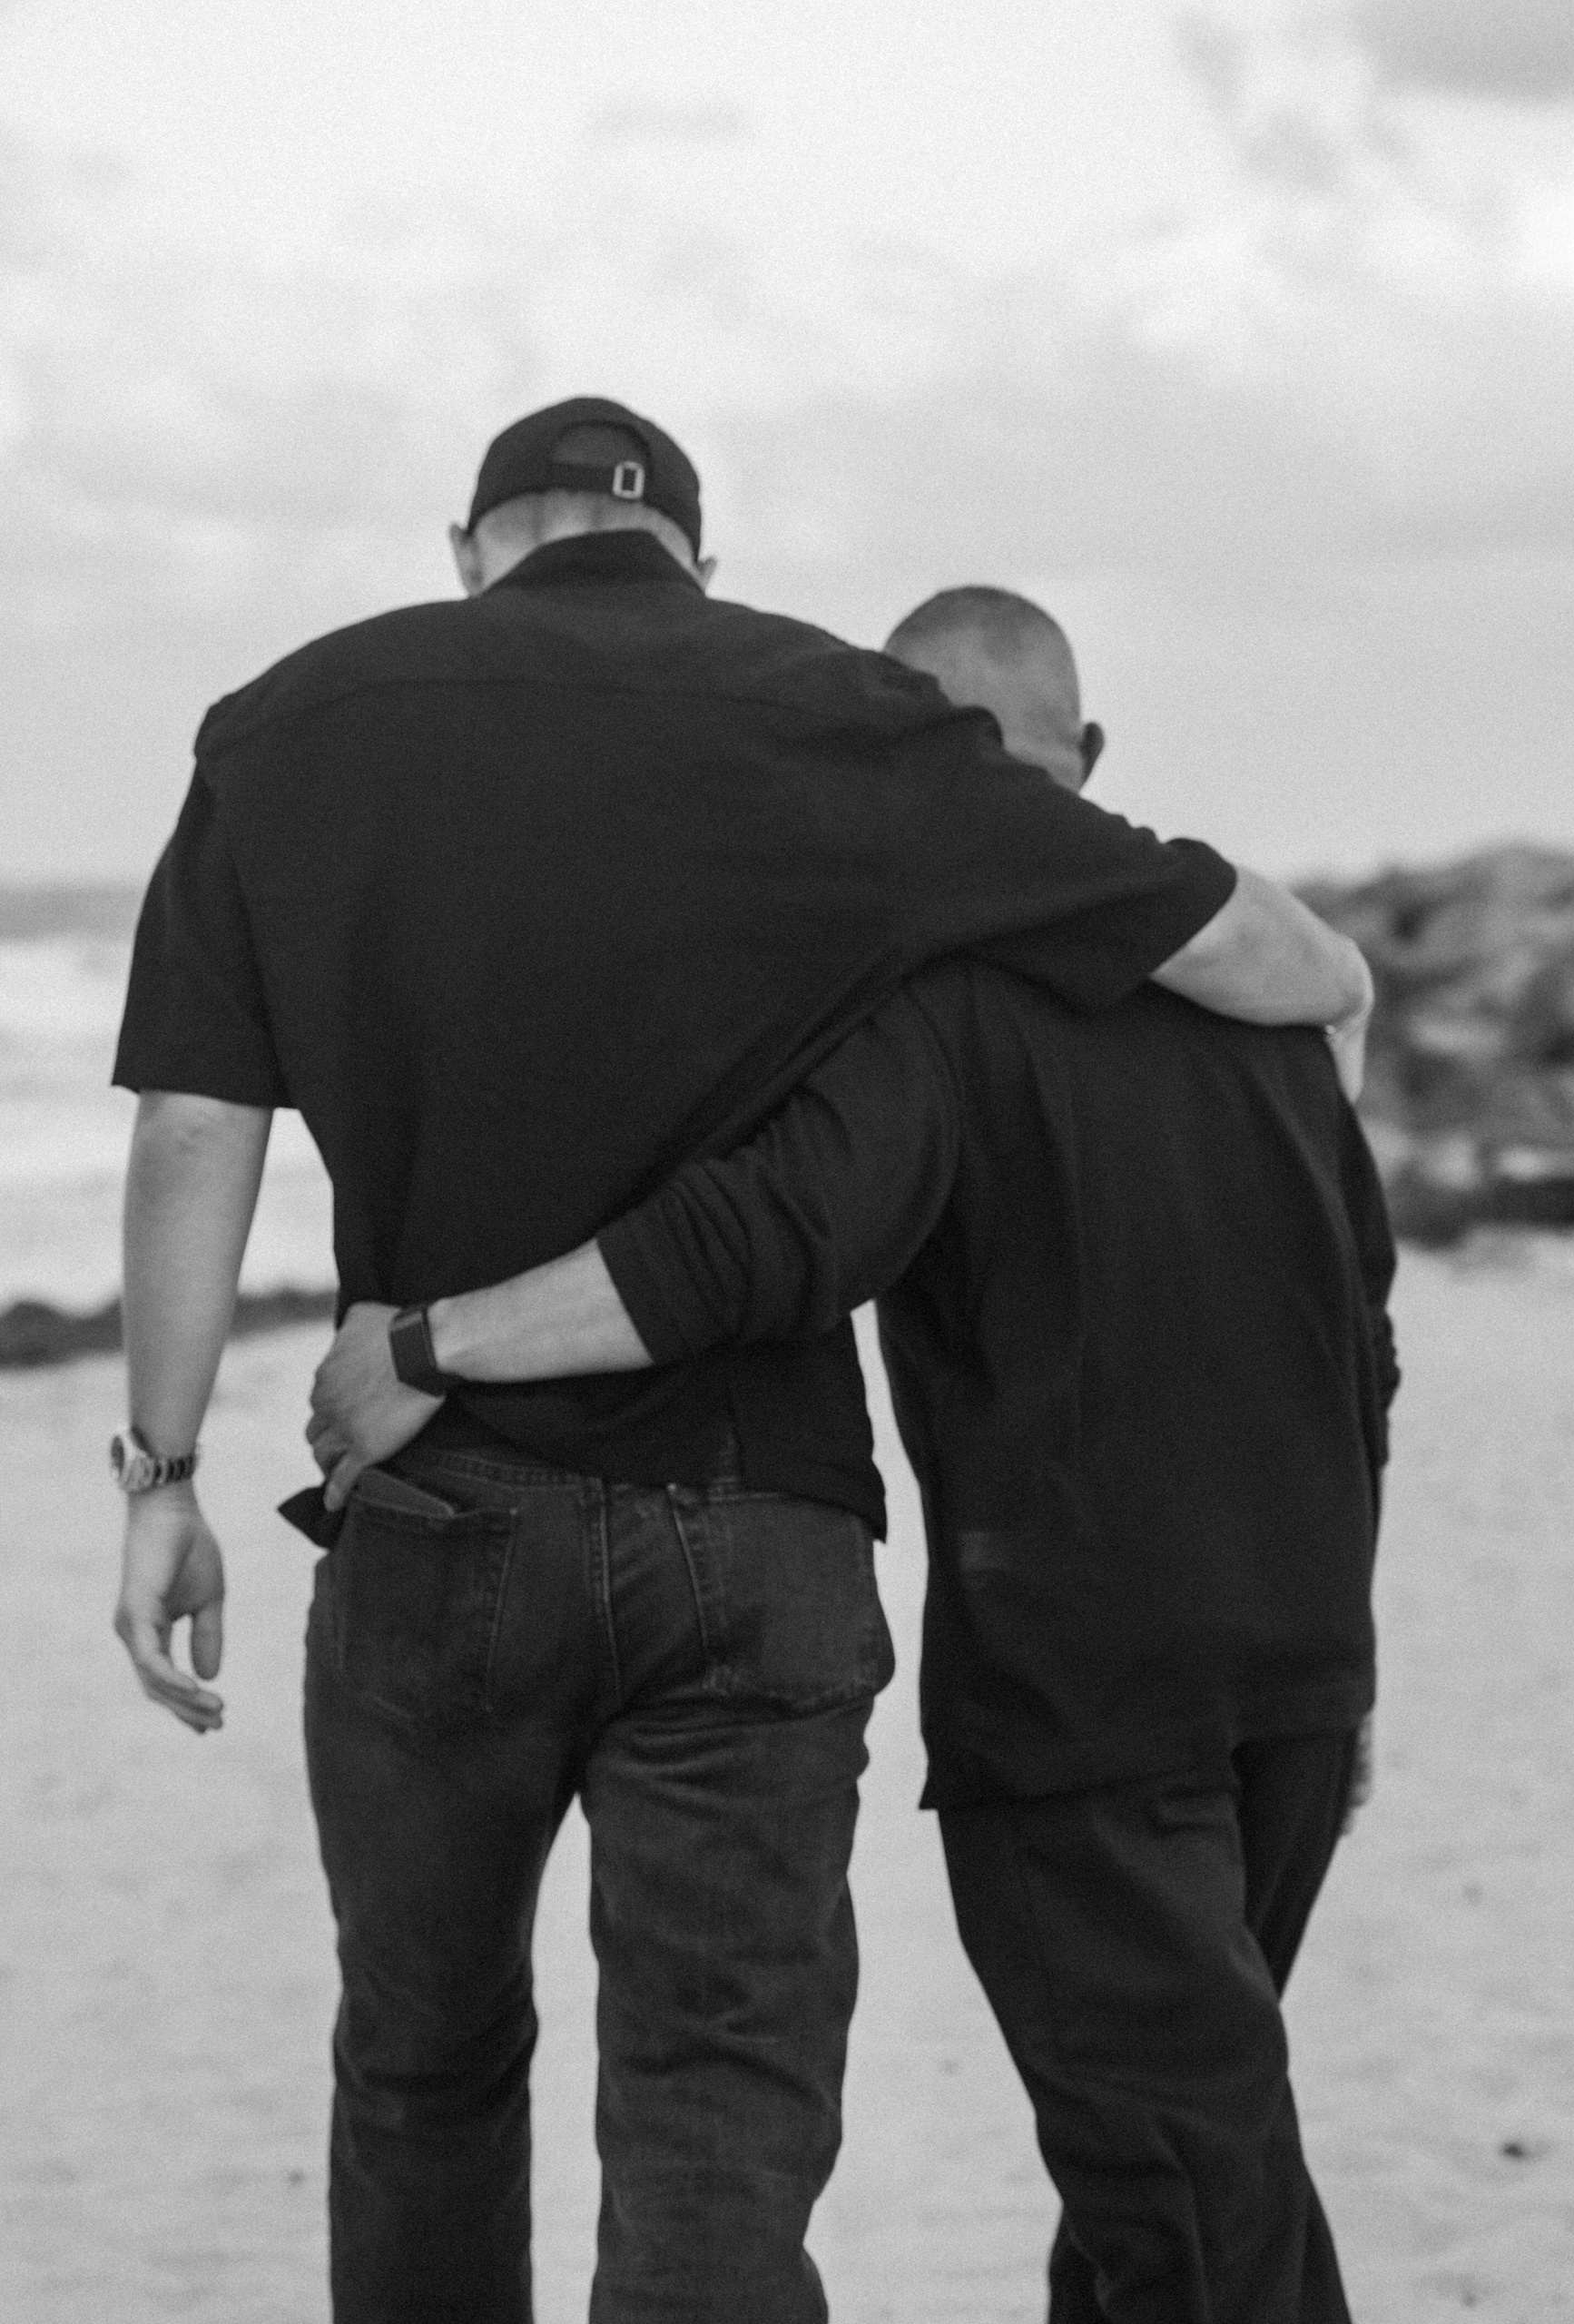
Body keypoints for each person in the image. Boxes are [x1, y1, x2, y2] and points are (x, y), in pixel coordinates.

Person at [112, 395, 1371, 2324]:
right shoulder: (837, 716)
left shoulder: (287, 726)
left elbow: (198, 1125)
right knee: (717, 2105)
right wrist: (1338, 989)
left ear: (471, 546)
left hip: (430, 1514)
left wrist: (167, 1476)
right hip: (753, 1515)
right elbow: (1226, 947)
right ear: (700, 558)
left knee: (426, 2065)